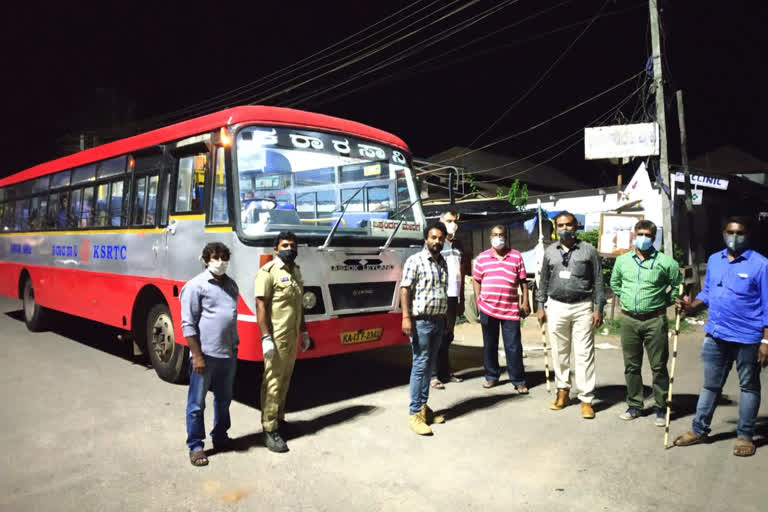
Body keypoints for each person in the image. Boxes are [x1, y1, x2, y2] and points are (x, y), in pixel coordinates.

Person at [674, 216, 768, 457]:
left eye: (740, 233)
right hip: (716, 334)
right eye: (730, 232)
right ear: (723, 233)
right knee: (710, 386)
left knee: (748, 387)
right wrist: (691, 306)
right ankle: (699, 430)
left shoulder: (761, 265)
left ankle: (746, 435)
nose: (734, 237)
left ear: (748, 235)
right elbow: (707, 292)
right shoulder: (715, 260)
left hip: (748, 338)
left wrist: (766, 341)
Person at [610, 220, 683, 425]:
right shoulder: (622, 261)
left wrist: (668, 301)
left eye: (648, 235)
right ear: (634, 236)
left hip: (655, 320)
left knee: (658, 366)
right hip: (629, 320)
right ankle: (635, 405)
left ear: (653, 237)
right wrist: (625, 298)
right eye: (640, 234)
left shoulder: (667, 262)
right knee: (631, 366)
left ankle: (661, 407)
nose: (644, 238)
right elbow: (615, 283)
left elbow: (678, 286)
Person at [536, 211, 605, 419]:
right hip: (556, 306)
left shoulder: (589, 251)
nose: (564, 228)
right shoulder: (550, 252)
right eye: (560, 225)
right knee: (559, 350)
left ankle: (586, 399)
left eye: (568, 225)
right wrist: (540, 305)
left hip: (582, 306)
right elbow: (543, 281)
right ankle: (563, 392)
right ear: (556, 228)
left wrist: (598, 308)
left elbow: (599, 282)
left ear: (576, 226)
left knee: (584, 353)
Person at [180, 242, 240, 467]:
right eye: (216, 257)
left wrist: (235, 346)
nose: (221, 261)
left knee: (224, 400)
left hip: (228, 354)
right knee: (197, 403)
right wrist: (196, 355)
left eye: (224, 257)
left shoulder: (231, 285)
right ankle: (196, 445)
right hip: (204, 355)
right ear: (206, 260)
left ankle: (221, 436)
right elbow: (188, 324)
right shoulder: (195, 286)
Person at [255, 231, 313, 452]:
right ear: (276, 249)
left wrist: (304, 332)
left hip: (292, 336)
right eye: (285, 245)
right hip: (276, 337)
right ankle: (269, 428)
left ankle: (279, 420)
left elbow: (298, 306)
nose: (290, 249)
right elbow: (260, 306)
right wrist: (266, 337)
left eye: (293, 245)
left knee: (286, 379)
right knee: (272, 382)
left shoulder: (295, 271)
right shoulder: (267, 272)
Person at [401, 222, 449, 435]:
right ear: (426, 239)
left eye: (440, 238)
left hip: (438, 320)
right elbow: (405, 290)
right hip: (421, 321)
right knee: (420, 366)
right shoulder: (415, 260)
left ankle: (423, 407)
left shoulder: (443, 262)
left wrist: (446, 318)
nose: (437, 241)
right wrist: (406, 317)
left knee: (429, 367)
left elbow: (443, 291)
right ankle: (414, 414)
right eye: (433, 237)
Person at [472, 225, 530, 393]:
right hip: (488, 308)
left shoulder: (516, 256)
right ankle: (491, 376)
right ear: (491, 238)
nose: (498, 238)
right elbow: (476, 279)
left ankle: (518, 380)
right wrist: (478, 299)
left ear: (506, 237)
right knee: (490, 345)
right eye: (495, 235)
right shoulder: (482, 258)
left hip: (510, 308)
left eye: (501, 235)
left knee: (513, 346)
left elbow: (523, 282)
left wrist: (525, 302)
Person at [430, 209, 467, 389]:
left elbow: (462, 272)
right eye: (449, 220)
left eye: (455, 221)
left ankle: (445, 372)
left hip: (453, 296)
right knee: (436, 335)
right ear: (441, 221)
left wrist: (461, 299)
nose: (453, 224)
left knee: (448, 336)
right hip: (439, 297)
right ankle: (434, 375)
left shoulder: (458, 246)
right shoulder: (436, 244)